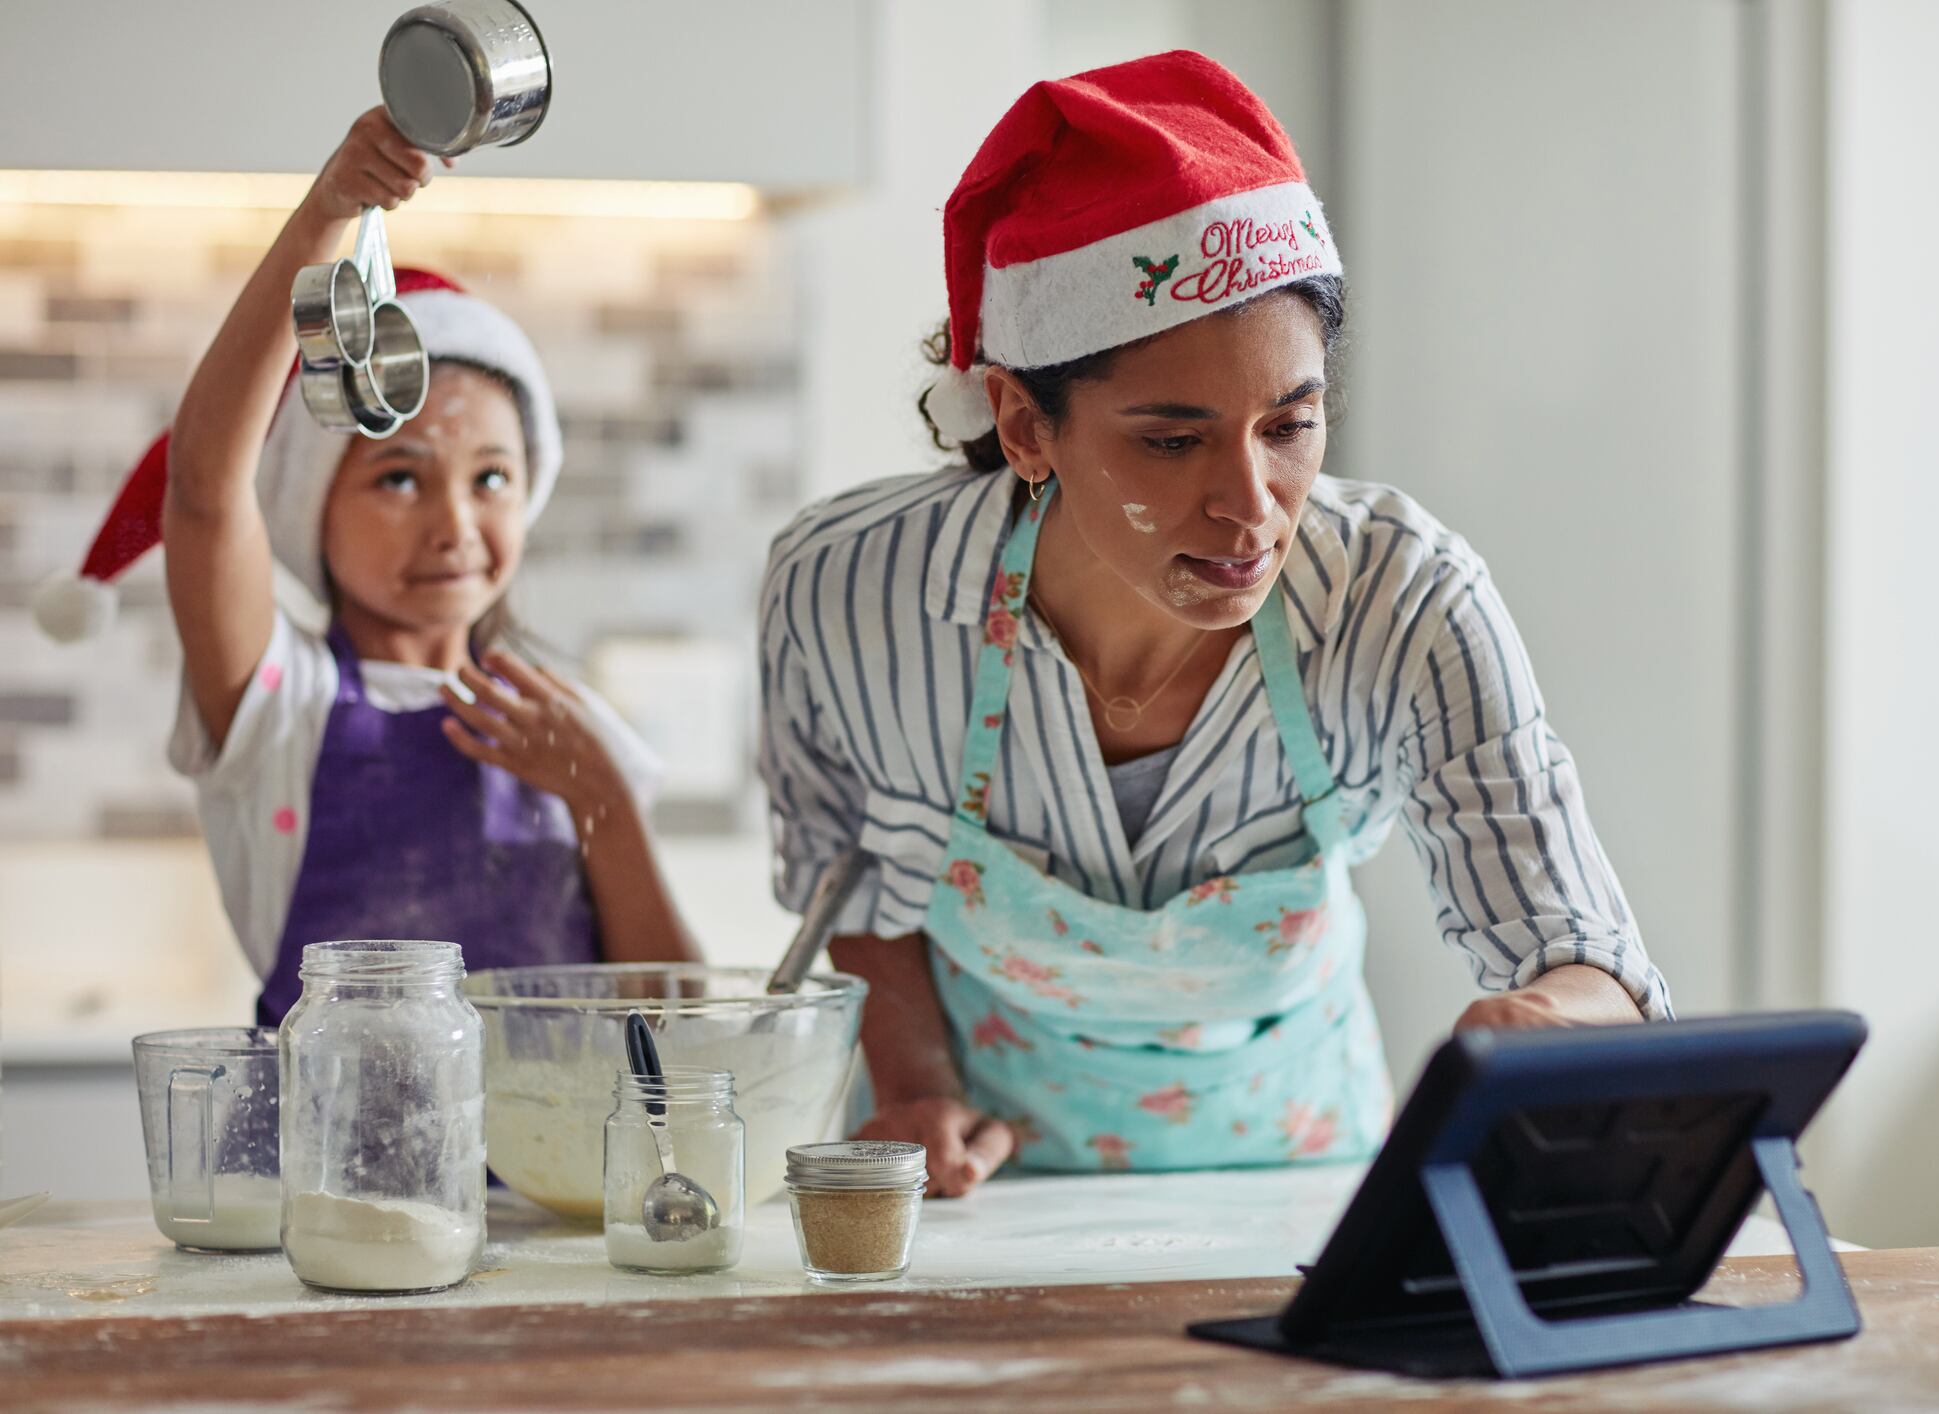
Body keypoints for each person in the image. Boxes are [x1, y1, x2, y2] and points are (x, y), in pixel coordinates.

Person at [760, 51, 1673, 1197]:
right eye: (1172, 439)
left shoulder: (1406, 599)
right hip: (982, 1204)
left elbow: (1583, 949)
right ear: (1023, 422)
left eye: (1290, 425)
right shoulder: (850, 596)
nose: (1251, 508)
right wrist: (913, 1087)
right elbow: (857, 894)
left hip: (1303, 1195)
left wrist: (1555, 1014)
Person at [37, 109, 694, 1021]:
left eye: (492, 476)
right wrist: (328, 213)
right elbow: (201, 491)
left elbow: (682, 1016)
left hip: (556, 1169)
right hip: (317, 1167)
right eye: (397, 477)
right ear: (312, 505)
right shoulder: (280, 708)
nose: (454, 523)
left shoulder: (570, 729)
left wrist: (607, 803)